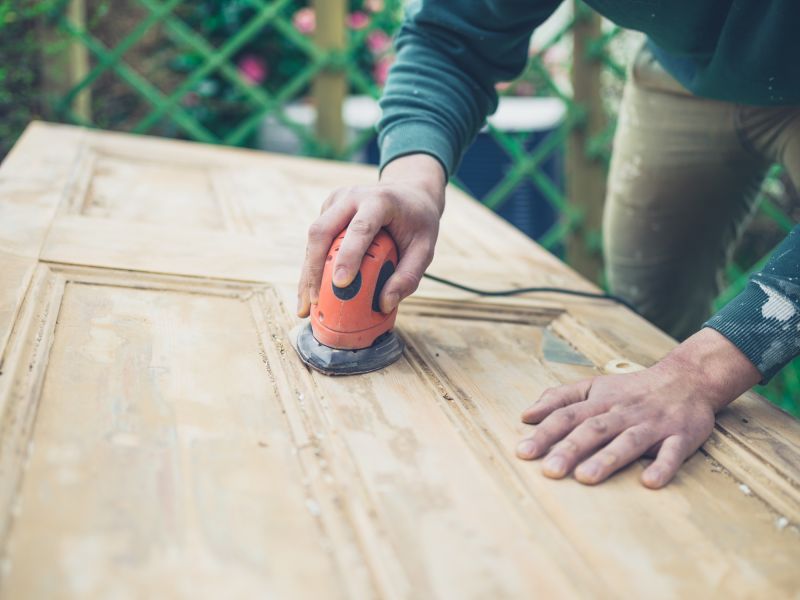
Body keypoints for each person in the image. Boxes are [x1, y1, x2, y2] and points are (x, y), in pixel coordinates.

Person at [297, 1, 800, 489]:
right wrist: (412, 182)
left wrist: (699, 374)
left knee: (696, 370)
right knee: (644, 326)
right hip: (685, 74)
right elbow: (451, 37)